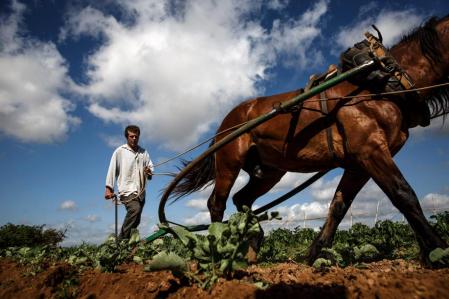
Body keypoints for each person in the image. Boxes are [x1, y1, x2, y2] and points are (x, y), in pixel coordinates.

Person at [104, 125, 154, 240]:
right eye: (132, 136)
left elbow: (150, 168)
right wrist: (108, 189)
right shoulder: (120, 152)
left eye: (136, 136)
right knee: (134, 210)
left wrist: (149, 171)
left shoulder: (143, 152)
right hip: (126, 190)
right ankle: (121, 241)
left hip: (141, 191)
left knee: (136, 219)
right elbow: (112, 170)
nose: (134, 138)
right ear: (127, 137)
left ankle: (129, 244)